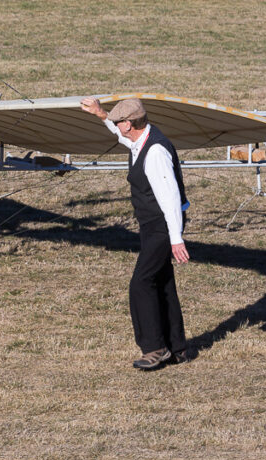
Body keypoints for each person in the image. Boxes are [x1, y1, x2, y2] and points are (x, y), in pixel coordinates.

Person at [80, 96, 191, 371]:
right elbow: (124, 140)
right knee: (162, 281)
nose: (117, 127)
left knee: (141, 284)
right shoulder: (142, 139)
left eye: (119, 123)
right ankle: (178, 348)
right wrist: (101, 114)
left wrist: (175, 239)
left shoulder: (154, 153)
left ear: (129, 124)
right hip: (155, 224)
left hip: (162, 225)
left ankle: (155, 348)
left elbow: (170, 199)